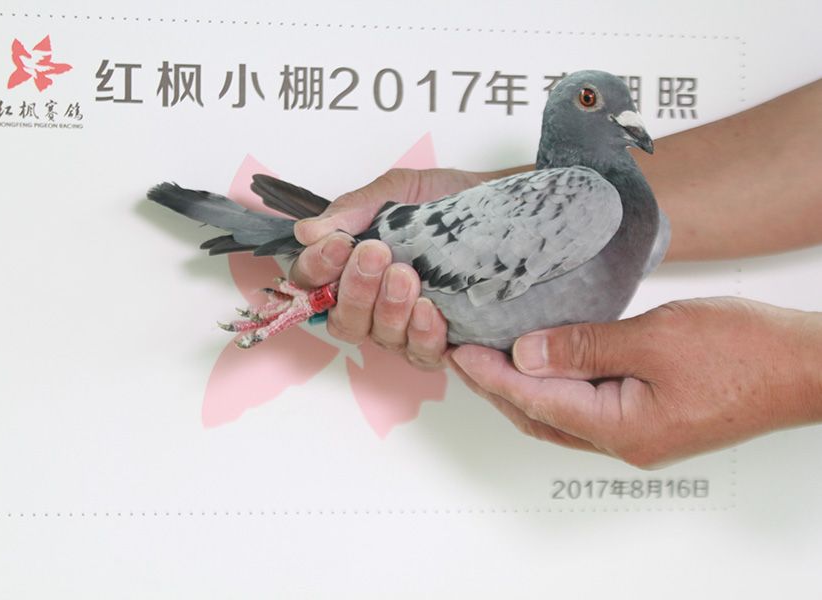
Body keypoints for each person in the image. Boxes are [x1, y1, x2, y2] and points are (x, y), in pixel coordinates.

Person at [288, 78, 822, 468]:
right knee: (367, 275)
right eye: (590, 100)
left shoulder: (647, 228)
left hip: (473, 254)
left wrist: (793, 371)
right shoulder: (594, 203)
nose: (624, 116)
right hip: (427, 250)